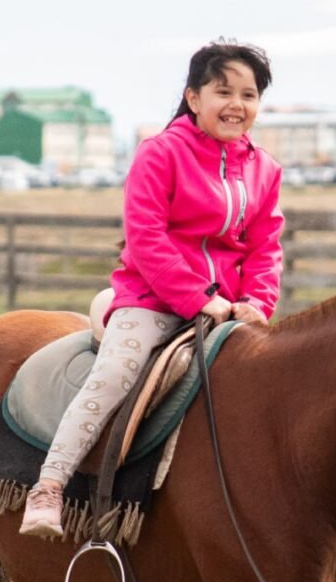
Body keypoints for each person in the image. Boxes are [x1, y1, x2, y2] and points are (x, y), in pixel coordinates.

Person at [20, 40, 285, 538]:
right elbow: (146, 237)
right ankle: (49, 486)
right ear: (193, 97)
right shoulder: (160, 153)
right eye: (223, 91)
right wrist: (198, 298)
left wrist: (256, 301)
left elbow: (265, 245)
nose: (236, 105)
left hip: (233, 310)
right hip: (154, 302)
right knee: (115, 373)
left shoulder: (264, 168)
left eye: (248, 95)